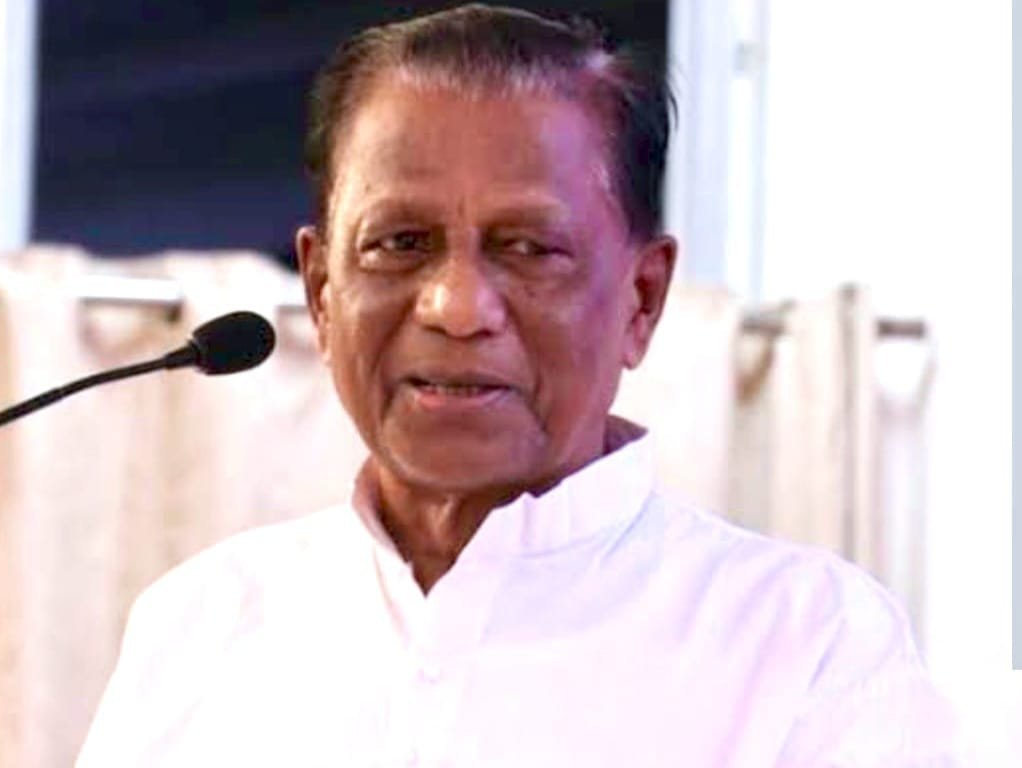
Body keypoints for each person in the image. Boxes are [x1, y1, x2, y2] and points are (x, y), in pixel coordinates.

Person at [76, 5, 960, 766]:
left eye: (530, 249)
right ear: (321, 292)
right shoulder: (199, 625)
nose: (457, 308)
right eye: (400, 243)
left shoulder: (808, 646)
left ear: (642, 300)